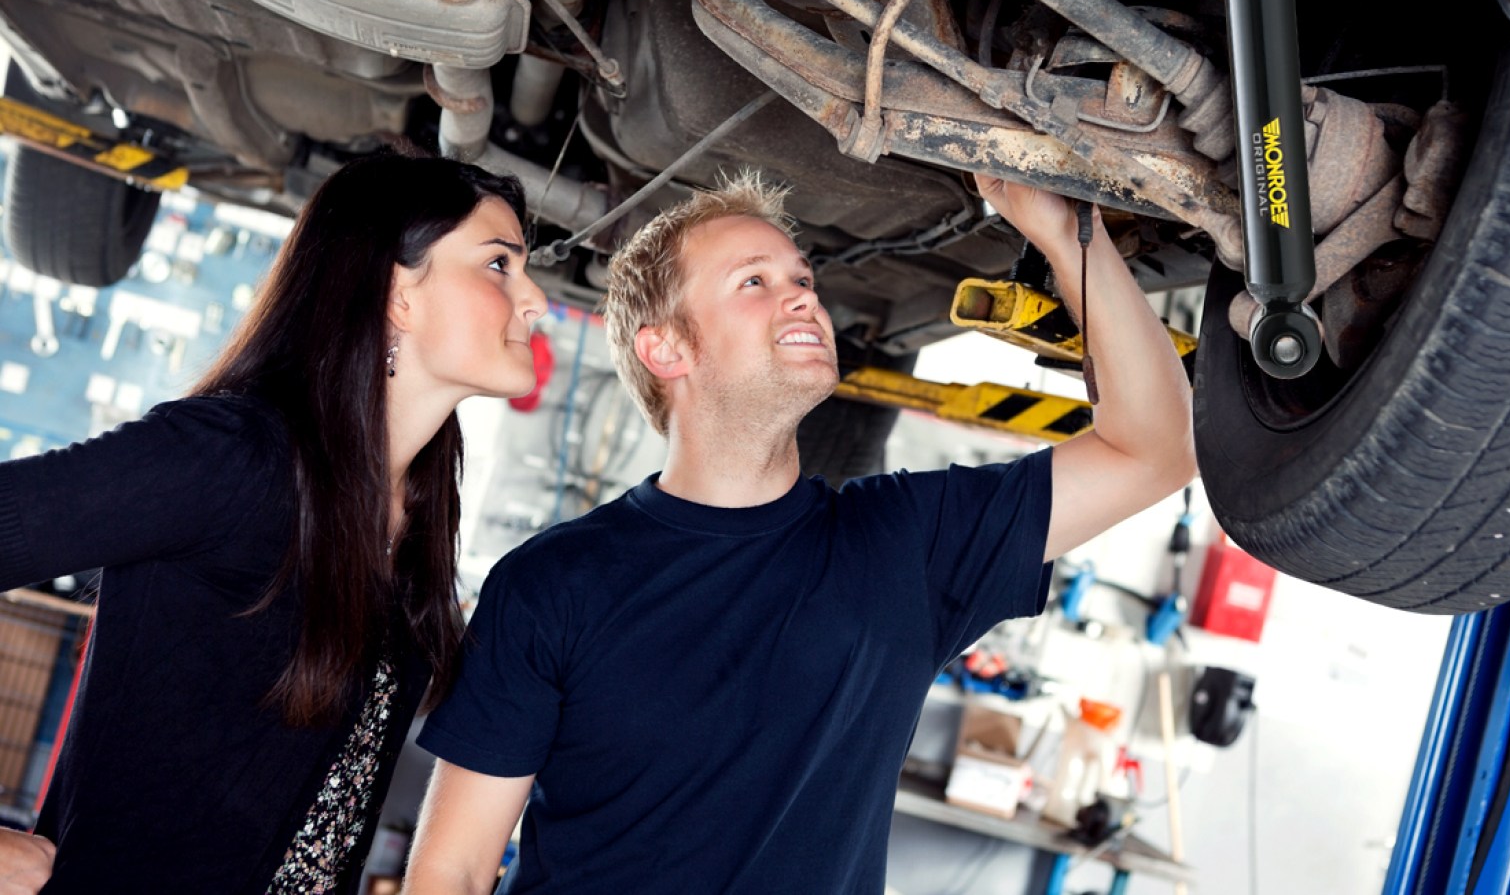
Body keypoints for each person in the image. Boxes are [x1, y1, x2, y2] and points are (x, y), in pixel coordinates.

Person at [403, 172, 1196, 895]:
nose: (801, 299)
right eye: (755, 282)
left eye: (803, 280)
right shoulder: (552, 583)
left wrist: (1067, 234)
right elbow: (454, 869)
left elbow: (1155, 446)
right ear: (666, 347)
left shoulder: (906, 542)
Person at [0, 152, 547, 894]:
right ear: (397, 293)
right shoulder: (234, 458)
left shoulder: (413, 528)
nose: (535, 299)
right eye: (498, 265)